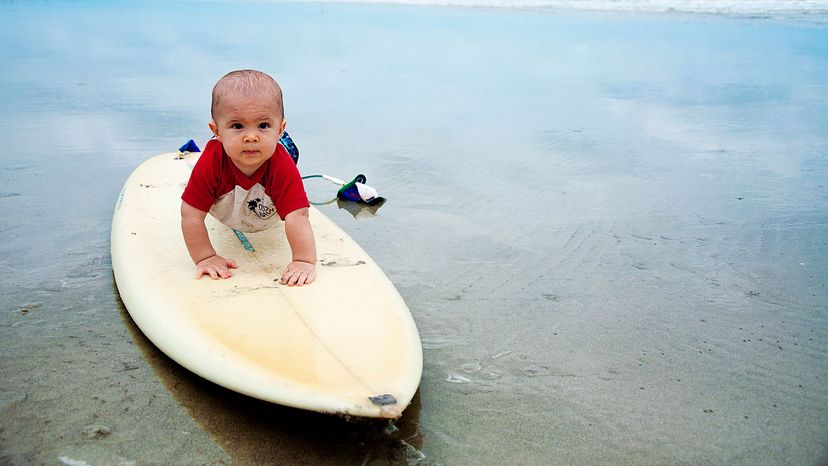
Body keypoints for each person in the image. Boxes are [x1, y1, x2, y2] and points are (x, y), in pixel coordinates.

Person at [180, 70, 316, 286]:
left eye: (263, 125)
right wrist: (205, 257)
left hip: (275, 167)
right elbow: (190, 215)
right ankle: (245, 133)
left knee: (286, 156)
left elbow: (297, 215)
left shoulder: (281, 166)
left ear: (281, 128)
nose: (251, 136)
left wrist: (303, 261)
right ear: (215, 130)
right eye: (237, 126)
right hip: (223, 174)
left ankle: (267, 137)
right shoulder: (211, 163)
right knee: (229, 152)